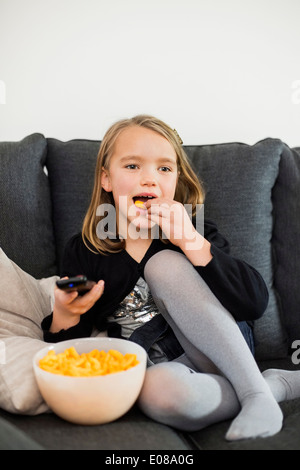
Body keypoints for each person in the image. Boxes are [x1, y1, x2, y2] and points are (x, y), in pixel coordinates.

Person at [42, 114, 300, 441]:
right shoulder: (83, 250)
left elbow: (253, 302)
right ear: (107, 179)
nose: (150, 179)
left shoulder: (196, 232)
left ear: (176, 180)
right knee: (156, 391)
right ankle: (271, 386)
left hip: (224, 351)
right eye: (133, 166)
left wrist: (190, 241)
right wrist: (65, 314)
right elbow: (72, 353)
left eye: (164, 168)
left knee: (163, 264)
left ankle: (255, 393)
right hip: (170, 368)